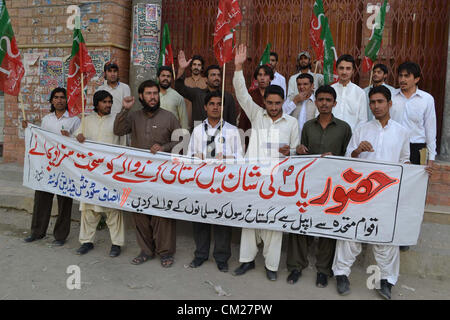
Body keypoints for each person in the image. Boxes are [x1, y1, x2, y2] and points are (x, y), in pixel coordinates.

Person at [332, 85, 432, 300]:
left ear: (389, 104)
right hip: (360, 192)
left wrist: (420, 171)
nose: (376, 106)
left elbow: (405, 159)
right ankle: (341, 274)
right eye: (373, 103)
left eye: (380, 102)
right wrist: (358, 150)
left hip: (387, 194)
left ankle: (387, 280)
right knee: (351, 234)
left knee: (386, 237)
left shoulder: (401, 132)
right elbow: (349, 159)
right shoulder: (361, 129)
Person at [232, 44, 300, 281]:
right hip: (254, 178)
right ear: (265, 102)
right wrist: (238, 67)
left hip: (278, 181)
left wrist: (289, 151)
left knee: (274, 223)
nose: (272, 107)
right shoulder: (256, 114)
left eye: (276, 104)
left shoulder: (291, 123)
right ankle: (247, 261)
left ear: (283, 103)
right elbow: (241, 93)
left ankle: (271, 267)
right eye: (269, 103)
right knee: (249, 221)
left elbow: (296, 154)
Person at [289, 85, 352, 288]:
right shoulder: (307, 126)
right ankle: (296, 266)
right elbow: (303, 155)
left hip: (333, 186)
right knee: (300, 224)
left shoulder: (344, 128)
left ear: (335, 103)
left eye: (328, 100)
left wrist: (337, 159)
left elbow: (349, 158)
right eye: (321, 99)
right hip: (309, 184)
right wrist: (298, 149)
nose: (324, 103)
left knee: (327, 228)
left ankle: (323, 270)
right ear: (315, 102)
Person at [114, 80, 181, 268]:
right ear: (141, 97)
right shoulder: (134, 117)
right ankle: (145, 250)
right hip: (138, 174)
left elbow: (181, 141)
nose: (153, 97)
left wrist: (164, 147)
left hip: (162, 175)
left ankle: (166, 253)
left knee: (162, 214)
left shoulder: (169, 117)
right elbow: (118, 130)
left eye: (155, 93)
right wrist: (124, 110)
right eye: (149, 94)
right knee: (140, 211)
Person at [186, 91, 244, 272]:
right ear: (205, 107)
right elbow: (189, 157)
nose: (215, 107)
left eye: (219, 104)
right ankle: (200, 255)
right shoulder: (197, 130)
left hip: (223, 183)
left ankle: (221, 257)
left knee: (222, 221)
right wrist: (198, 156)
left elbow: (241, 159)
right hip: (202, 182)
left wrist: (227, 157)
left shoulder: (232, 131)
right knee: (200, 219)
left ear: (223, 107)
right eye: (211, 103)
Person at [22, 88, 80, 246]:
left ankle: (60, 236)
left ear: (67, 100)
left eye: (62, 97)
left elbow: (79, 143)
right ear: (52, 100)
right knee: (41, 199)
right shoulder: (47, 119)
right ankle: (37, 232)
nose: (59, 100)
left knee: (64, 202)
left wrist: (71, 138)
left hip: (65, 167)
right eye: (56, 97)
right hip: (47, 166)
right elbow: (41, 139)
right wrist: (29, 128)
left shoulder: (74, 120)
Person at [391, 62, 436, 252]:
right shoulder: (392, 97)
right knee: (392, 189)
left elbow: (430, 129)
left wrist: (431, 158)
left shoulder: (426, 99)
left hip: (416, 149)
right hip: (394, 146)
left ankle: (405, 236)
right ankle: (389, 230)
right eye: (400, 75)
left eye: (407, 76)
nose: (402, 79)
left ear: (416, 79)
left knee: (411, 195)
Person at [74, 90, 126, 257]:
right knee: (89, 209)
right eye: (105, 102)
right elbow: (76, 138)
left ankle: (116, 244)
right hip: (91, 172)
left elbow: (123, 146)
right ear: (97, 104)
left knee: (112, 209)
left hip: (110, 172)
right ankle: (86, 242)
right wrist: (79, 136)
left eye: (110, 102)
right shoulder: (86, 120)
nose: (108, 105)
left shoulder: (116, 120)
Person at [175, 50, 237, 130]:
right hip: (200, 136)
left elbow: (232, 122)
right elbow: (179, 87)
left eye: (218, 75)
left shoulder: (228, 97)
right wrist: (181, 69)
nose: (216, 78)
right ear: (206, 80)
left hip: (221, 137)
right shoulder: (197, 94)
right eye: (213, 75)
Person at [98, 61, 131, 145]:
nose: (113, 74)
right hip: (105, 125)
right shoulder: (100, 89)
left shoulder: (125, 87)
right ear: (105, 73)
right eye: (110, 71)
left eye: (115, 71)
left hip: (120, 124)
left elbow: (126, 108)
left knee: (121, 151)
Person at [331, 54, 368, 130]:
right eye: (341, 68)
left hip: (351, 138)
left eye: (348, 69)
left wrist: (353, 137)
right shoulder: (330, 90)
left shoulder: (360, 93)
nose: (344, 72)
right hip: (330, 137)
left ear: (353, 71)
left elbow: (363, 120)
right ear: (337, 70)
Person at [238, 64, 274, 133]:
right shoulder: (251, 94)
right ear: (256, 78)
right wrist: (241, 139)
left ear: (271, 78)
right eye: (260, 75)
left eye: (265, 75)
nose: (262, 78)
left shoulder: (275, 94)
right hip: (251, 132)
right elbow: (243, 117)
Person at [158, 66, 189, 130]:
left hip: (173, 135)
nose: (165, 78)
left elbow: (184, 122)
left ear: (171, 79)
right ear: (158, 78)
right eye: (163, 76)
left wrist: (184, 137)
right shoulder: (152, 96)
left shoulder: (178, 97)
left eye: (168, 76)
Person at [184, 55, 208, 130]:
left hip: (203, 123)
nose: (196, 67)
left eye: (199, 65)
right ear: (191, 67)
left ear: (201, 68)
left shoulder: (206, 82)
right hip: (186, 122)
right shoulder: (185, 82)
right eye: (194, 64)